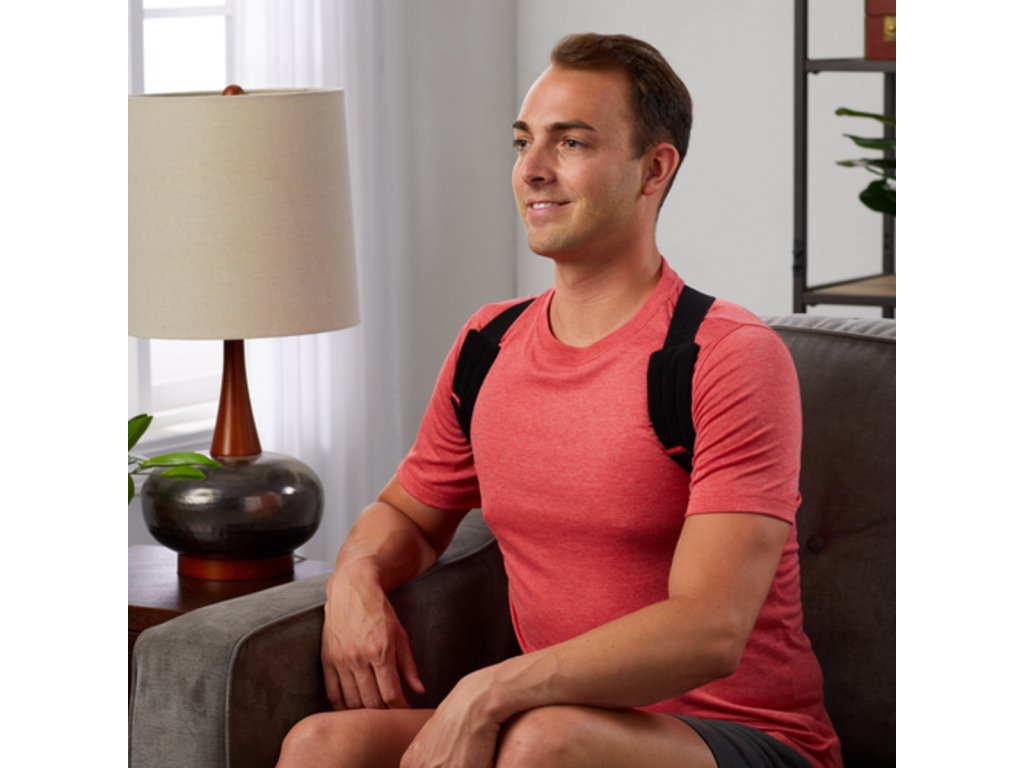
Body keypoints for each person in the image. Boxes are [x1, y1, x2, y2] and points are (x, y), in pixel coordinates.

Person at [277, 32, 841, 768]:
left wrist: (491, 691)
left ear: (654, 169)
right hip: (551, 725)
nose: (533, 170)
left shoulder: (725, 355)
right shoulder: (488, 344)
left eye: (571, 143)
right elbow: (407, 516)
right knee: (321, 746)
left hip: (745, 737)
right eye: (523, 143)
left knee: (545, 742)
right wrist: (354, 576)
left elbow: (712, 629)